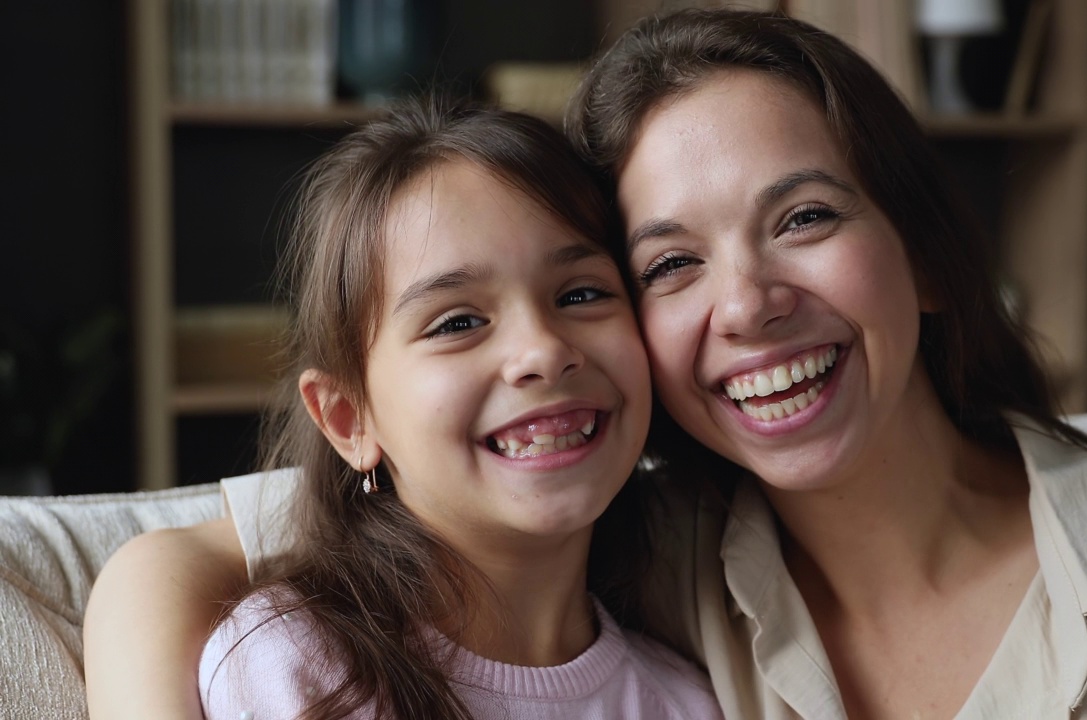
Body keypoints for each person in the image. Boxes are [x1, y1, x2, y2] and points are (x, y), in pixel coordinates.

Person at [86, 9, 1087, 719]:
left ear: (921, 251)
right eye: (667, 267)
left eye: (803, 217)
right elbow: (182, 556)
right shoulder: (629, 541)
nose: (750, 305)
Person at [86, 96, 722, 720]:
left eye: (582, 293)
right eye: (458, 322)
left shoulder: (689, 700)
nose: (543, 351)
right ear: (347, 420)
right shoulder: (300, 669)